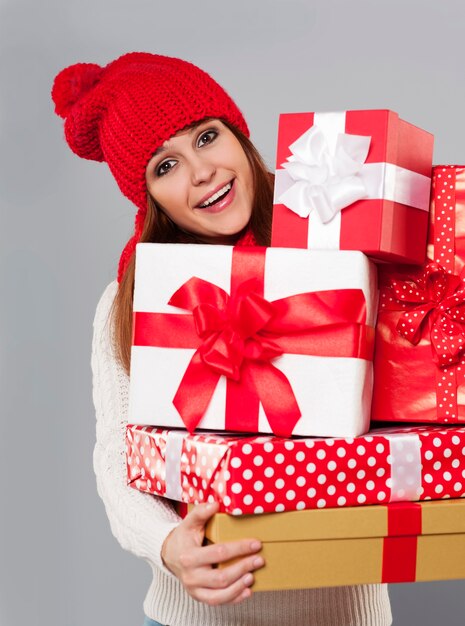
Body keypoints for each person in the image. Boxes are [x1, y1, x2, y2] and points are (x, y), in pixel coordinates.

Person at [52, 52, 392, 626]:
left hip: (345, 610)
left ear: (239, 134)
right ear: (148, 196)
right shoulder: (135, 300)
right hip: (193, 615)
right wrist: (168, 545)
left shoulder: (340, 245)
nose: (202, 171)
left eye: (207, 137)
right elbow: (116, 455)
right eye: (166, 166)